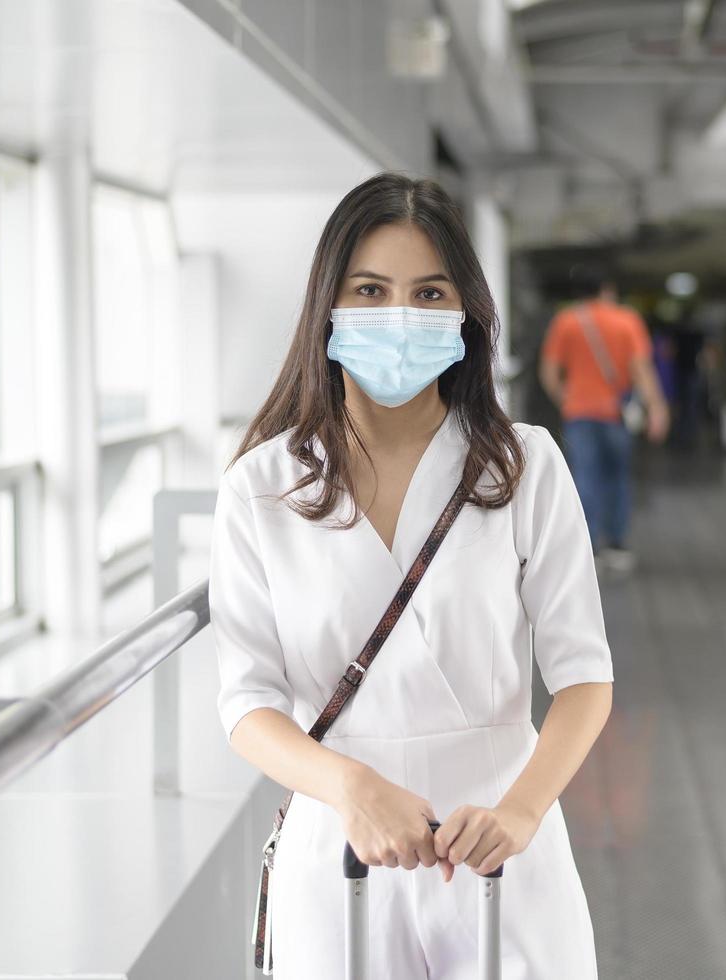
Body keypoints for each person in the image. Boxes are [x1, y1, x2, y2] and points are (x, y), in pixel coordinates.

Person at [210, 174, 613, 979]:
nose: (401, 315)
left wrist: (523, 810)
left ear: (465, 313)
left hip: (499, 837)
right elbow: (246, 702)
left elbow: (583, 677)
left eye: (428, 292)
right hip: (339, 842)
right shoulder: (262, 486)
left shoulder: (524, 465)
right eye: (370, 290)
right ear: (327, 307)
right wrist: (352, 787)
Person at [539, 269, 670, 572]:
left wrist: (566, 398)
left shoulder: (566, 322)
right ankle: (617, 544)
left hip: (579, 414)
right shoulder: (627, 320)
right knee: (618, 477)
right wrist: (657, 408)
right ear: (607, 290)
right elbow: (641, 370)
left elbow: (548, 372)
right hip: (616, 414)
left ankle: (589, 547)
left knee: (585, 478)